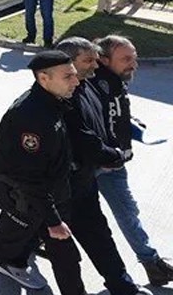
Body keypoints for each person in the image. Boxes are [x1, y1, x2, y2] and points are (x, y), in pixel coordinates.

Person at [0, 50, 85, 295]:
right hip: (26, 201)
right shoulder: (31, 116)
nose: (76, 81)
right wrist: (53, 220)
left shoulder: (52, 103)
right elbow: (28, 177)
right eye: (68, 77)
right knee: (4, 245)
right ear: (44, 78)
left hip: (45, 198)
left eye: (74, 75)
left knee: (61, 255)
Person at [57, 37, 147, 295]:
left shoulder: (90, 86)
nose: (95, 66)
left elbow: (103, 122)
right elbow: (84, 138)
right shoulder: (62, 98)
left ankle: (123, 287)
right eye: (88, 61)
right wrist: (113, 156)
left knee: (97, 234)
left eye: (96, 60)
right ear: (68, 64)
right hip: (59, 186)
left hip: (84, 180)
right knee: (50, 244)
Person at [94, 35, 173, 287]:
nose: (134, 64)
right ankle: (19, 249)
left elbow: (114, 114)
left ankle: (152, 264)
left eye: (134, 58)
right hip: (91, 166)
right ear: (104, 60)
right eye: (126, 59)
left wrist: (133, 125)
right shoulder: (90, 85)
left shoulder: (117, 82)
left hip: (114, 163)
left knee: (128, 212)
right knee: (58, 214)